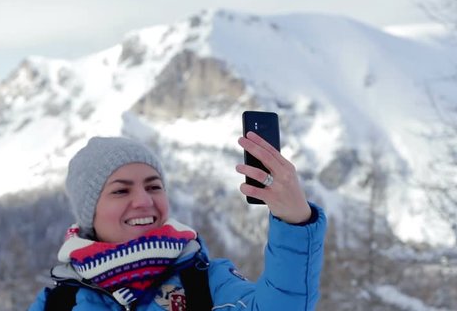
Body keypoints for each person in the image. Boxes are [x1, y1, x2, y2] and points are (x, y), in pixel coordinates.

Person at [28, 131, 327, 310]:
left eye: (154, 186)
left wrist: (295, 221)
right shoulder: (59, 302)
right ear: (88, 211)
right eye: (121, 190)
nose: (144, 201)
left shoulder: (203, 282)